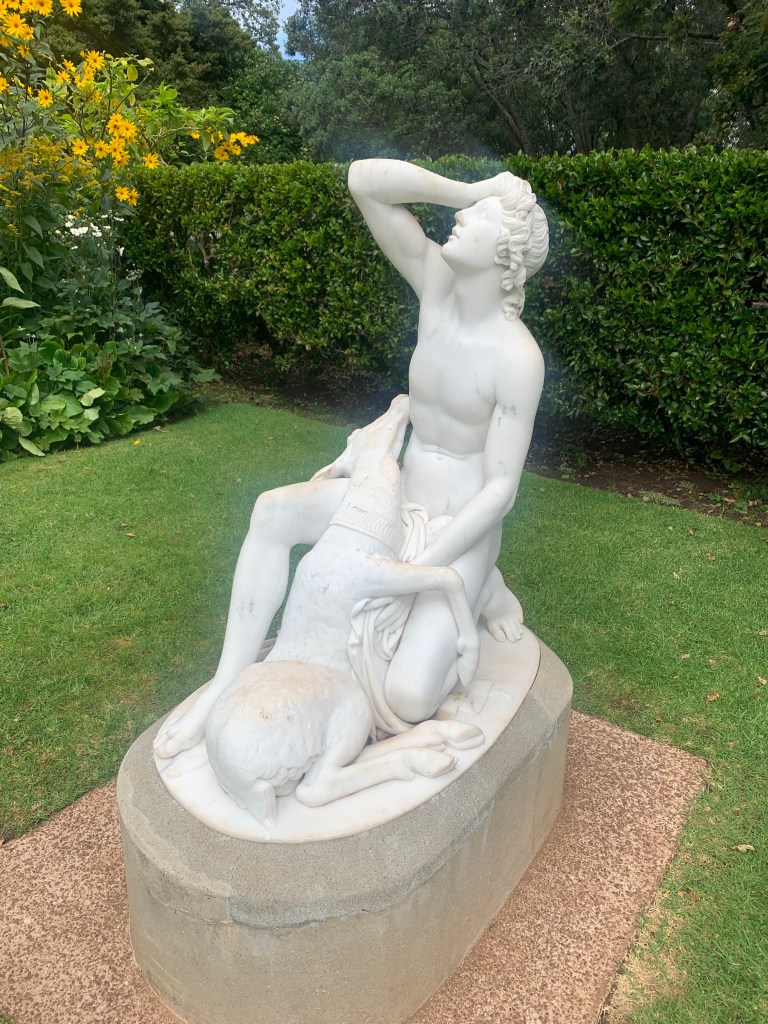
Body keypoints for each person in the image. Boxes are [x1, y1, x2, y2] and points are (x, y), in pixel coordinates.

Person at [154, 159, 548, 760]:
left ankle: (481, 587)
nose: (463, 216)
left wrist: (419, 569)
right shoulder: (436, 287)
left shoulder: (518, 358)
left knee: (409, 698)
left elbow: (500, 491)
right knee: (273, 512)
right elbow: (364, 179)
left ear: (506, 253)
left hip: (457, 530)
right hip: (394, 499)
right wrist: (470, 189)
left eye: (482, 214)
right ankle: (224, 684)